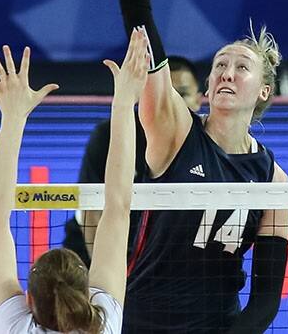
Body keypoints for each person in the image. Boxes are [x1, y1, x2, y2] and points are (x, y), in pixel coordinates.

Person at [109, 0, 288, 334]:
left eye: (241, 67)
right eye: (220, 66)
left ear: (264, 91)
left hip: (220, 325)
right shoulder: (173, 130)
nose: (227, 73)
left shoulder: (274, 180)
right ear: (208, 85)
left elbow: (266, 299)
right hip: (143, 321)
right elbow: (139, 18)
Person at [0, 31, 150, 333]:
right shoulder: (104, 324)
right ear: (86, 296)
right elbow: (119, 206)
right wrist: (124, 104)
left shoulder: (14, 327)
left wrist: (13, 118)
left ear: (29, 300)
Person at [62, 56, 201, 267]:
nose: (173, 103)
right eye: (165, 94)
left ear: (199, 100)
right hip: (95, 256)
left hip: (156, 262)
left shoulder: (205, 145)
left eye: (182, 94)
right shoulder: (109, 134)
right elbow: (91, 213)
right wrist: (111, 277)